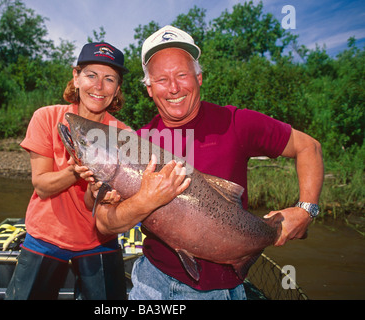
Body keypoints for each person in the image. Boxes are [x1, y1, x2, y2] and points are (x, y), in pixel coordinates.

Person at [93, 26, 324, 300]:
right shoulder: (135, 143)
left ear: (199, 77)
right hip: (150, 283)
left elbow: (309, 147)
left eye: (182, 75)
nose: (174, 87)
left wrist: (306, 209)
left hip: (220, 291)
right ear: (149, 88)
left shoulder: (236, 123)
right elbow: (104, 225)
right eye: (162, 79)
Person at [5, 42, 131, 300]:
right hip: (44, 237)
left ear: (117, 89)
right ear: (76, 77)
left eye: (109, 79)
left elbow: (110, 200)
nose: (99, 86)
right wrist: (76, 171)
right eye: (91, 75)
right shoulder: (47, 118)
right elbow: (41, 185)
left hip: (99, 241)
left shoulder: (125, 135)